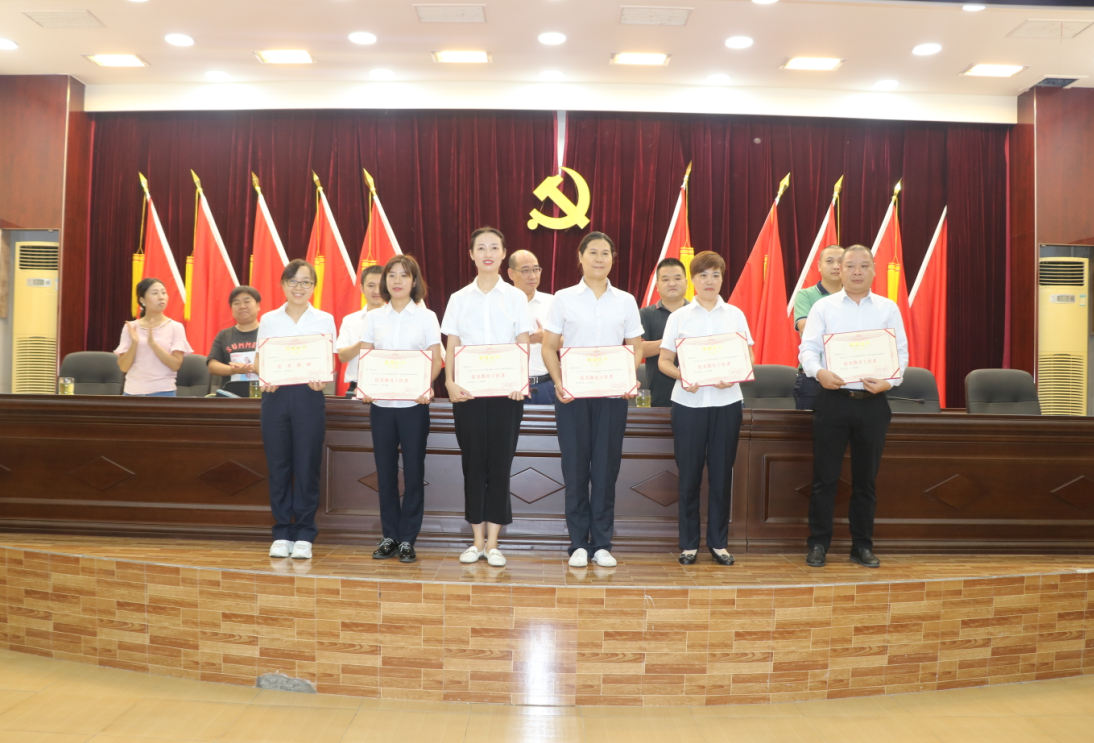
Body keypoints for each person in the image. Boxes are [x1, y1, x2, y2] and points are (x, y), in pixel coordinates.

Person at [799, 245, 908, 569]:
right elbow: (808, 350)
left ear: (874, 270)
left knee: (866, 481)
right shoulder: (823, 307)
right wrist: (819, 373)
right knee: (825, 478)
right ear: (840, 270)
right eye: (850, 266)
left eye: (864, 266)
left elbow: (901, 353)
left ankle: (862, 546)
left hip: (872, 404)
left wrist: (890, 381)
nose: (857, 271)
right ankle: (818, 544)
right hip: (833, 400)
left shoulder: (888, 308)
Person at [541, 232, 643, 569]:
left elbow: (635, 347)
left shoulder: (625, 300)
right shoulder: (563, 298)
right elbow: (548, 346)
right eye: (593, 252)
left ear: (613, 259)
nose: (600, 259)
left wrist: (628, 376)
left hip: (612, 396)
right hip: (572, 396)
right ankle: (577, 544)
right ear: (580, 257)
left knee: (605, 470)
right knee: (574, 470)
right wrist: (559, 382)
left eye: (606, 253)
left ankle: (601, 544)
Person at [441, 227, 534, 568]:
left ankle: (493, 543)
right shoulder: (458, 298)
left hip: (506, 394)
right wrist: (449, 382)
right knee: (473, 465)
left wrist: (520, 381)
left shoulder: (515, 297)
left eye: (494, 247)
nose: (488, 253)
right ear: (471, 254)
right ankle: (476, 541)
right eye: (481, 248)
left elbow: (523, 341)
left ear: (503, 253)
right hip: (468, 394)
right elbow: (452, 344)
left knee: (499, 466)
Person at [657, 251, 753, 566]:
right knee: (689, 476)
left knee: (722, 475)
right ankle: (688, 544)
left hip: (727, 403)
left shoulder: (735, 315)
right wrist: (684, 376)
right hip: (689, 405)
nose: (709, 281)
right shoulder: (679, 317)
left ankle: (718, 543)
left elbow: (749, 357)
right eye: (702, 275)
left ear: (722, 279)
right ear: (693, 280)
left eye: (715, 275)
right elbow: (664, 362)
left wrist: (735, 375)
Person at [358, 255, 443, 564]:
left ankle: (408, 538)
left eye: (404, 275)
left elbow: (436, 359)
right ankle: (390, 536)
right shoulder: (374, 318)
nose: (397, 281)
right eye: (392, 275)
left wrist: (424, 385)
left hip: (413, 406)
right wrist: (366, 386)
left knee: (414, 471)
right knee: (385, 472)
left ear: (414, 281)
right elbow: (366, 357)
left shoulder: (427, 317)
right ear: (385, 281)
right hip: (381, 406)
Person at [256, 259, 337, 561]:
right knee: (278, 466)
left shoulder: (324, 319)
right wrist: (266, 376)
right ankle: (281, 532)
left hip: (308, 396)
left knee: (307, 465)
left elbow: (328, 361)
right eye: (293, 281)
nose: (299, 287)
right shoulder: (269, 319)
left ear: (314, 286)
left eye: (306, 282)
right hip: (275, 398)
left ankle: (304, 532)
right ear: (283, 284)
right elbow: (260, 360)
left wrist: (322, 379)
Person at [115, 277, 192, 396]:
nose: (161, 297)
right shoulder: (130, 327)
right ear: (142, 300)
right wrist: (134, 344)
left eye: (163, 292)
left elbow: (175, 365)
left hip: (164, 392)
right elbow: (123, 367)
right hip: (132, 393)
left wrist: (152, 343)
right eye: (155, 293)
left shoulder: (175, 327)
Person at [792, 244, 844, 410]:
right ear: (819, 265)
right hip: (812, 377)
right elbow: (805, 327)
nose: (836, 266)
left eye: (841, 262)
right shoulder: (805, 295)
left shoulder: (855, 296)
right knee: (810, 426)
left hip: (848, 374)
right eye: (829, 261)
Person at [507, 249, 556, 405]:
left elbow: (568, 343)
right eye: (526, 271)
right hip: (509, 386)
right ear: (511, 273)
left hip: (545, 385)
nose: (533, 276)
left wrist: (545, 339)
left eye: (536, 269)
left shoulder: (552, 302)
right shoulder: (501, 304)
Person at [639, 258, 688, 407]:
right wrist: (672, 342)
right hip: (659, 396)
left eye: (677, 278)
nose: (672, 283)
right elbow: (639, 349)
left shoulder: (698, 314)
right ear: (657, 286)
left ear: (687, 283)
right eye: (665, 279)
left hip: (694, 394)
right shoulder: (645, 314)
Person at [336, 265, 386, 395]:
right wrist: (365, 342)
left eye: (381, 285)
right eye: (371, 285)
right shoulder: (350, 320)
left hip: (389, 385)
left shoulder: (397, 319)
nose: (376, 290)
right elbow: (342, 357)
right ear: (362, 288)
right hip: (356, 387)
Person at [206, 286, 262, 397]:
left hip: (264, 395)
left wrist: (257, 368)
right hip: (230, 396)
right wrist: (233, 370)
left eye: (247, 301)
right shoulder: (224, 335)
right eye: (236, 303)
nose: (242, 306)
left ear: (258, 305)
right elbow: (212, 365)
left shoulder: (269, 333)